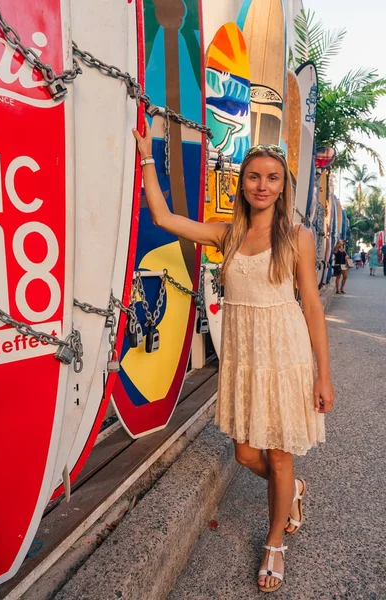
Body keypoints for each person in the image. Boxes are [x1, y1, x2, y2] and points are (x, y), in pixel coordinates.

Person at [133, 121, 334, 593]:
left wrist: (324, 375)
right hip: (245, 359)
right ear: (241, 184)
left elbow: (313, 307)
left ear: (283, 186)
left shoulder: (296, 237)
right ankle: (294, 494)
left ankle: (274, 545)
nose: (262, 186)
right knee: (246, 454)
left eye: (273, 178)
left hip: (285, 358)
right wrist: (146, 156)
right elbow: (163, 218)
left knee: (280, 459)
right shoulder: (226, 234)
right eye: (254, 177)